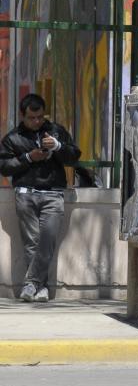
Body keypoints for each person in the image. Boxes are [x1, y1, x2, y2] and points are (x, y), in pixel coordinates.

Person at [0, 94, 80, 302]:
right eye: (31, 118)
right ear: (22, 116)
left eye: (39, 117)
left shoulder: (56, 132)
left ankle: (31, 284)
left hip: (53, 193)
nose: (36, 121)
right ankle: (41, 288)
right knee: (31, 242)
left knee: (47, 239)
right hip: (26, 194)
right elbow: (4, 166)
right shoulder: (12, 138)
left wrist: (58, 147)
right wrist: (28, 158)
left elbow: (74, 156)